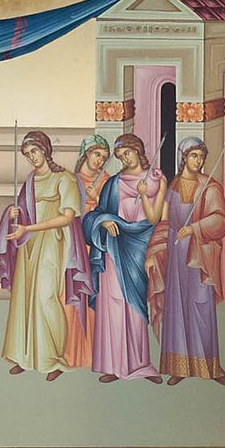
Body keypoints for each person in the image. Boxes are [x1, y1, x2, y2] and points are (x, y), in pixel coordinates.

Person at [0, 130, 87, 379]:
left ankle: (53, 358)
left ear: (45, 149)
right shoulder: (31, 181)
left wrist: (28, 228)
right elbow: (24, 211)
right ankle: (25, 356)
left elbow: (68, 217)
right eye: (27, 154)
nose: (31, 158)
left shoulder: (64, 179)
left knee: (46, 297)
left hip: (53, 244)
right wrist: (14, 213)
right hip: (29, 246)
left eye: (34, 151)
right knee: (24, 299)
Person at [80, 134, 165, 383]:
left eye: (127, 153)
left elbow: (153, 220)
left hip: (138, 248)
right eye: (120, 156)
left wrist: (148, 191)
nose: (124, 158)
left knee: (134, 307)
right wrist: (104, 220)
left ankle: (140, 365)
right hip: (113, 251)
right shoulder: (113, 183)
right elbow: (94, 215)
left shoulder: (155, 178)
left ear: (138, 151)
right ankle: (112, 365)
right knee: (113, 305)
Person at [158, 138, 225, 386]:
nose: (198, 161)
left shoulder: (210, 187)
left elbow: (221, 221)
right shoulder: (174, 186)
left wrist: (194, 228)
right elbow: (164, 220)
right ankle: (180, 366)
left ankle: (210, 366)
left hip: (199, 257)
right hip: (176, 256)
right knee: (178, 309)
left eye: (201, 156)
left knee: (201, 307)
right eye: (193, 156)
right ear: (184, 158)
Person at [63, 136, 113, 369]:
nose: (99, 160)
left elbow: (112, 211)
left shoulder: (107, 182)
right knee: (70, 299)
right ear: (86, 153)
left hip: (94, 248)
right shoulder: (70, 180)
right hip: (73, 245)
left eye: (104, 157)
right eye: (96, 154)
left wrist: (96, 207)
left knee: (92, 297)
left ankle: (92, 355)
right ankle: (69, 355)